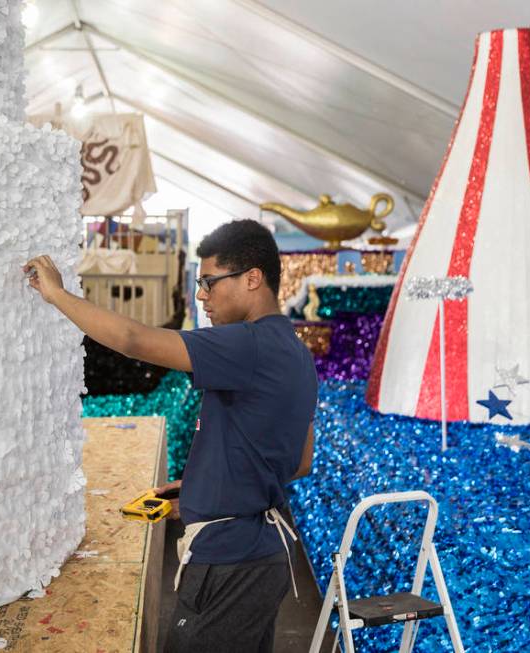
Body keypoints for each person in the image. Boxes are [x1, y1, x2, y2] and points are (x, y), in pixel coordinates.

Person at [24, 219, 318, 653]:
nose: (202, 295)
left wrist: (57, 294)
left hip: (227, 563)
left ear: (253, 279)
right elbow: (299, 461)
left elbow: (132, 339)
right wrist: (206, 491)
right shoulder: (296, 351)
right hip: (265, 556)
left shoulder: (246, 343)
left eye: (210, 282)